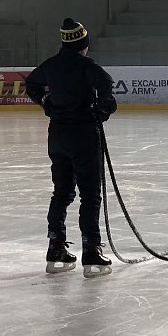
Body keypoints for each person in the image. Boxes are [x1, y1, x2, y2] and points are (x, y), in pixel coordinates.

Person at [26, 18, 117, 277]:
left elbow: (31, 84)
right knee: (90, 194)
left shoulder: (51, 65)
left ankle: (56, 247)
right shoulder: (86, 66)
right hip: (83, 135)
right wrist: (102, 109)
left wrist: (47, 103)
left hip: (57, 135)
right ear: (83, 44)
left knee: (61, 192)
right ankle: (91, 250)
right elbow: (106, 83)